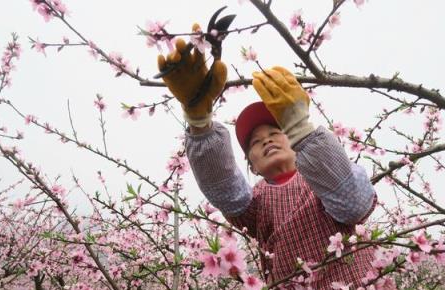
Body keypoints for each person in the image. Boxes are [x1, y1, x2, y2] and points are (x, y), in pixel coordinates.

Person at [157, 31, 377, 289]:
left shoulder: (321, 181)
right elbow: (224, 188)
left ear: (296, 144)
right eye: (255, 142)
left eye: (275, 132)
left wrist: (300, 128)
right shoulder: (255, 203)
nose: (266, 140)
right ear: (251, 166)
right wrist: (199, 123)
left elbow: (355, 204)